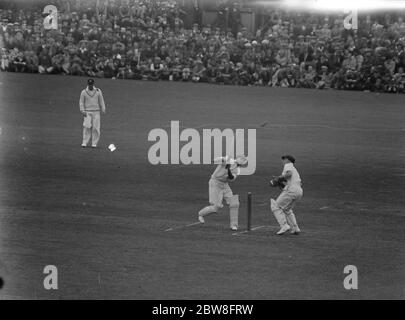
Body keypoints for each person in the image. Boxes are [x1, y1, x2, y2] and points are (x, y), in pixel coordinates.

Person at [198, 155, 248, 231]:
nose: (241, 162)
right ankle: (201, 214)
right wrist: (222, 159)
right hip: (215, 183)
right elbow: (214, 160)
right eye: (241, 159)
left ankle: (234, 225)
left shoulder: (237, 170)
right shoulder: (228, 159)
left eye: (243, 161)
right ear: (237, 159)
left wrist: (228, 169)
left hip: (225, 185)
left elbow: (231, 177)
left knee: (234, 203)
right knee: (215, 208)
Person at [270, 155, 303, 235]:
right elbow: (287, 182)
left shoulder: (288, 165)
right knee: (286, 209)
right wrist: (279, 182)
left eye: (283, 159)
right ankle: (295, 228)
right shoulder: (295, 169)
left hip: (291, 190)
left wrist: (278, 178)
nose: (282, 161)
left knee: (275, 206)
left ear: (287, 160)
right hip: (299, 191)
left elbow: (289, 174)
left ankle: (284, 225)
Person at [79, 78, 106, 148]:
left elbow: (101, 100)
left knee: (96, 128)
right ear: (87, 84)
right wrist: (82, 110)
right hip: (87, 112)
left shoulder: (98, 91)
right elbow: (81, 102)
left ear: (93, 84)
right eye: (89, 84)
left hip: (96, 112)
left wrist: (103, 108)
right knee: (87, 127)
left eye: (91, 84)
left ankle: (94, 143)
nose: (90, 86)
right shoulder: (84, 92)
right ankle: (84, 142)